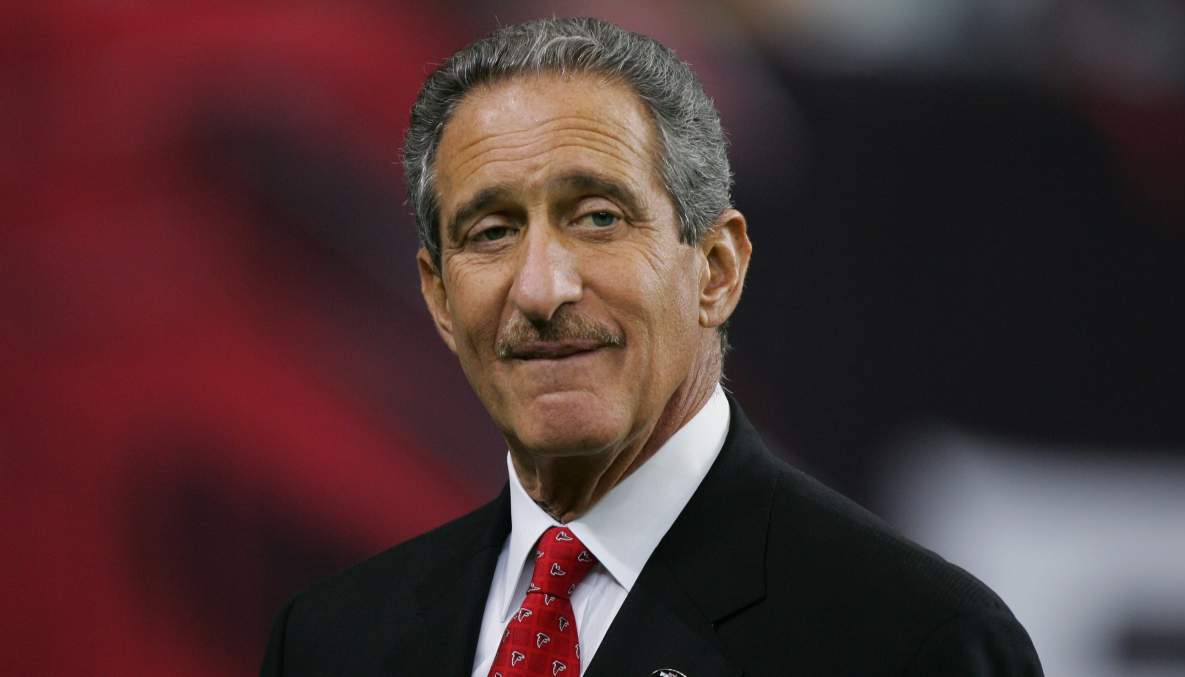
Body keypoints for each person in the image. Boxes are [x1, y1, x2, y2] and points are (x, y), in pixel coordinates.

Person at [260, 16, 1043, 676]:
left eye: (599, 218)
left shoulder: (917, 644)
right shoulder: (330, 641)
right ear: (438, 296)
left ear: (717, 268)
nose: (540, 288)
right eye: (492, 231)